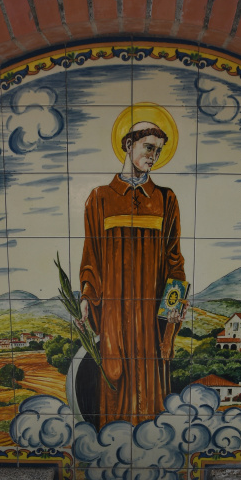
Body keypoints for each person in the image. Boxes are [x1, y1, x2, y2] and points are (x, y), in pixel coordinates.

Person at [78, 107, 186, 426]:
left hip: (151, 317)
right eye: (148, 147)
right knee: (115, 376)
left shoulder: (166, 200)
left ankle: (151, 448)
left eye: (158, 150)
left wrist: (172, 312)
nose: (153, 156)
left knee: (149, 381)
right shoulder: (99, 198)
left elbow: (174, 262)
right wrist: (86, 299)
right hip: (112, 313)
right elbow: (91, 257)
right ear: (128, 145)